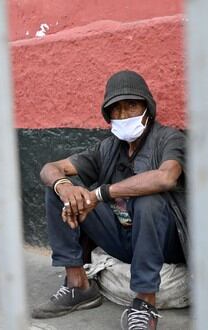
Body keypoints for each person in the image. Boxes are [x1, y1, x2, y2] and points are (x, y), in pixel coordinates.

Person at [33, 70, 189, 330]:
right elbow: (50, 168)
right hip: (121, 236)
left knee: (148, 200)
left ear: (147, 108)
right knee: (59, 190)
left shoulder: (168, 138)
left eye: (132, 106)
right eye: (116, 109)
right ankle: (78, 285)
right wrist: (63, 186)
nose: (124, 114)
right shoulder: (107, 148)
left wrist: (100, 193)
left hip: (164, 240)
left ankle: (144, 303)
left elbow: (166, 178)